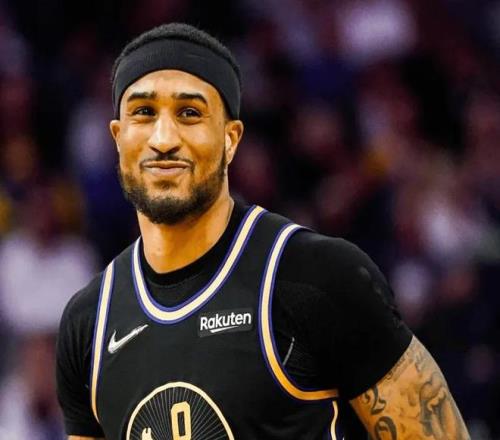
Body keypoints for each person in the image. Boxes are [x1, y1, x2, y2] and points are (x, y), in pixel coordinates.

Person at [56, 22, 470, 439]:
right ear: (118, 137)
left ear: (230, 139)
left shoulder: (317, 277)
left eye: (190, 113)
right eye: (143, 113)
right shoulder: (87, 323)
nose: (163, 139)